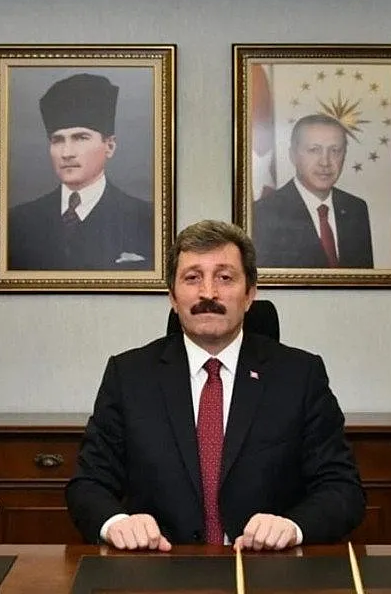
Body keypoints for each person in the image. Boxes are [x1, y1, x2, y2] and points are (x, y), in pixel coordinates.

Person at [66, 220, 364, 550]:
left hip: (265, 567)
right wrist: (117, 523)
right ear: (172, 296)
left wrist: (293, 527)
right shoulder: (128, 376)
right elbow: (88, 484)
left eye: (225, 277)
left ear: (250, 294)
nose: (208, 293)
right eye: (192, 278)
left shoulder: (300, 376)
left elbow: (343, 489)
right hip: (161, 566)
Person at [7, 73, 154, 270]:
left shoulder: (146, 219)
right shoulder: (18, 222)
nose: (66, 153)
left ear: (109, 146)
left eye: (81, 138)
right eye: (58, 140)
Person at [252, 114, 373, 269]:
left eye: (335, 151)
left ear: (344, 156)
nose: (325, 162)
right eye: (314, 150)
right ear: (293, 155)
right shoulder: (263, 213)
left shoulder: (356, 209)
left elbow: (365, 280)